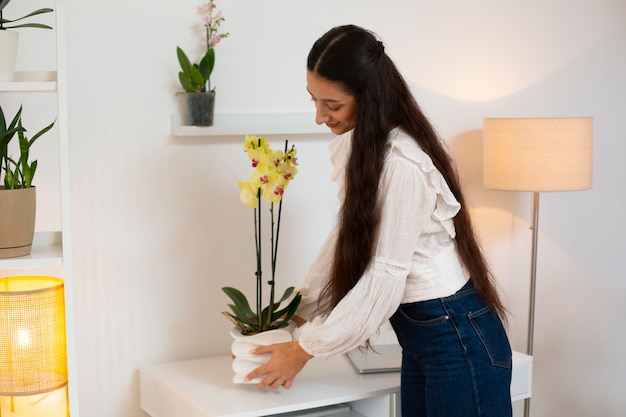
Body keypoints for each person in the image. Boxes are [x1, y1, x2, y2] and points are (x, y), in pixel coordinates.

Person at [245, 24, 513, 417]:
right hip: (427, 338)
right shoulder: (364, 148)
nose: (319, 116)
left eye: (332, 105)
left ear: (367, 98)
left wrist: (305, 349)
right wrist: (297, 312)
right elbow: (345, 238)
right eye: (314, 100)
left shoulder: (402, 163)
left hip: (457, 338)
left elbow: (384, 276)